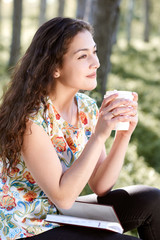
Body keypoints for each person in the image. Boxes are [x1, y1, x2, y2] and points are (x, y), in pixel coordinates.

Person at [0, 17, 160, 240]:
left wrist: (123, 135)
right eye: (83, 56)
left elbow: (100, 185)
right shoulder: (30, 120)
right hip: (26, 227)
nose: (96, 63)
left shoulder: (86, 107)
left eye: (94, 52)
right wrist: (99, 135)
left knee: (152, 199)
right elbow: (63, 197)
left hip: (62, 215)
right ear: (55, 67)